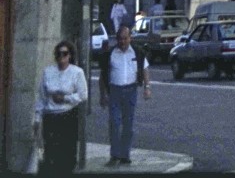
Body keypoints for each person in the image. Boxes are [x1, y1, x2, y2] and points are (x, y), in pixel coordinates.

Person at [98, 22, 151, 166]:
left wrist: (147, 87)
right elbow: (103, 77)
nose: (122, 41)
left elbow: (145, 69)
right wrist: (103, 95)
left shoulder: (137, 53)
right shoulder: (111, 54)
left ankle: (124, 155)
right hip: (114, 91)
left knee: (128, 125)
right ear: (117, 39)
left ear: (130, 38)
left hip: (130, 91)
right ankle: (114, 155)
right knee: (114, 123)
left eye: (125, 38)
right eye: (120, 39)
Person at [33, 40, 88, 174]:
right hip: (51, 116)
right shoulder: (48, 72)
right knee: (51, 153)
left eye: (64, 53)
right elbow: (41, 97)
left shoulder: (77, 72)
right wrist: (37, 118)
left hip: (67, 116)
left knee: (67, 154)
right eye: (58, 54)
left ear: (70, 55)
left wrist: (65, 98)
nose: (61, 57)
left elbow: (83, 95)